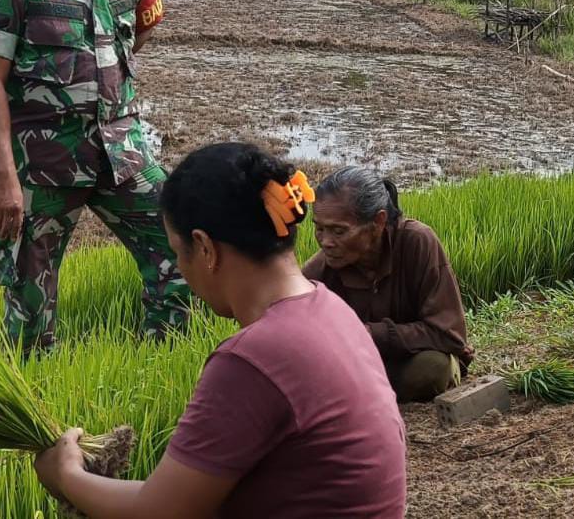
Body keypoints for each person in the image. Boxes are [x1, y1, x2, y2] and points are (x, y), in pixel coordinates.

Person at [34, 143, 408, 517]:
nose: (181, 268)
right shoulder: (330, 309)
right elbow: (178, 497)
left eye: (179, 252)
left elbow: (161, 513)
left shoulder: (254, 359)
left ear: (205, 248)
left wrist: (66, 475)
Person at [0, 0, 187, 353]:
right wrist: (4, 178)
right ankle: (34, 397)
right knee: (30, 295)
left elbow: (137, 30)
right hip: (46, 163)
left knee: (182, 244)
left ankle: (163, 360)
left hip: (123, 153)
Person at [304, 166, 473, 402]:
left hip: (409, 360)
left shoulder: (417, 242)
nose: (326, 242)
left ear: (378, 221)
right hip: (357, 364)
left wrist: (367, 333)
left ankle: (355, 393)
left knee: (432, 368)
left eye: (339, 231)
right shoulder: (321, 270)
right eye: (319, 228)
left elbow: (449, 335)